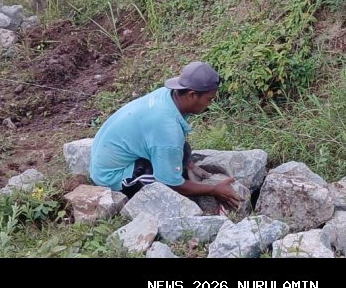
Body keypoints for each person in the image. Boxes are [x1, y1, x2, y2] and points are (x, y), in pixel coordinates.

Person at [89, 61, 244, 208]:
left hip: (107, 155)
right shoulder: (168, 130)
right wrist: (214, 190)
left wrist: (188, 164)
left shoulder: (167, 95)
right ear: (191, 95)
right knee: (163, 186)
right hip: (111, 177)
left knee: (183, 151)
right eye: (209, 99)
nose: (210, 104)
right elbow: (171, 184)